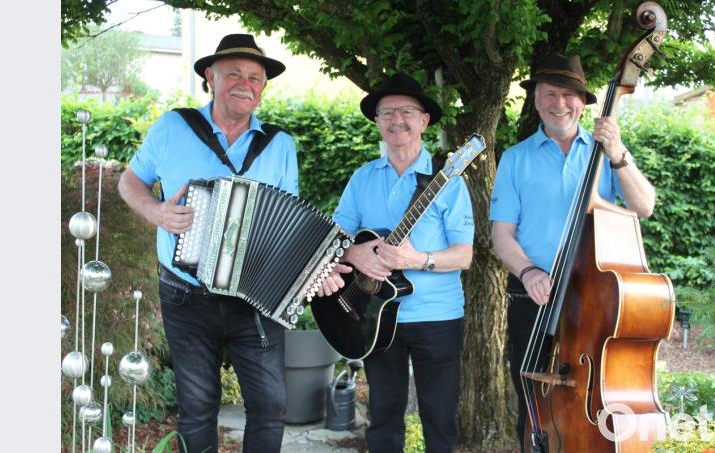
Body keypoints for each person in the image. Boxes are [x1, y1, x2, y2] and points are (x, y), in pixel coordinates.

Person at [118, 34, 297, 453]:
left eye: (255, 77)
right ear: (209, 78)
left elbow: (289, 217)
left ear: (263, 87)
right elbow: (131, 182)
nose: (245, 83)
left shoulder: (280, 144)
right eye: (233, 73)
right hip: (187, 294)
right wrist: (157, 213)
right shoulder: (173, 127)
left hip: (255, 297)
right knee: (197, 406)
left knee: (271, 405)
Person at [489, 52, 657, 446]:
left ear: (583, 102)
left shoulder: (607, 153)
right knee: (532, 401)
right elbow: (501, 236)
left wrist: (619, 155)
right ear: (536, 100)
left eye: (568, 95)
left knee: (601, 393)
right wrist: (529, 271)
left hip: (595, 299)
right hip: (535, 296)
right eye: (549, 94)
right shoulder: (515, 159)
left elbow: (644, 206)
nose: (558, 103)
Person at [319, 73, 474, 452]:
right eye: (387, 112)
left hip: (437, 317)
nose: (396, 119)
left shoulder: (448, 180)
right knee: (384, 421)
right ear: (377, 122)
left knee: (440, 420)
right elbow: (334, 238)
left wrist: (415, 259)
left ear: (424, 120)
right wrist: (356, 254)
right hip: (374, 318)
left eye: (407, 111)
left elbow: (464, 255)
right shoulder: (362, 178)